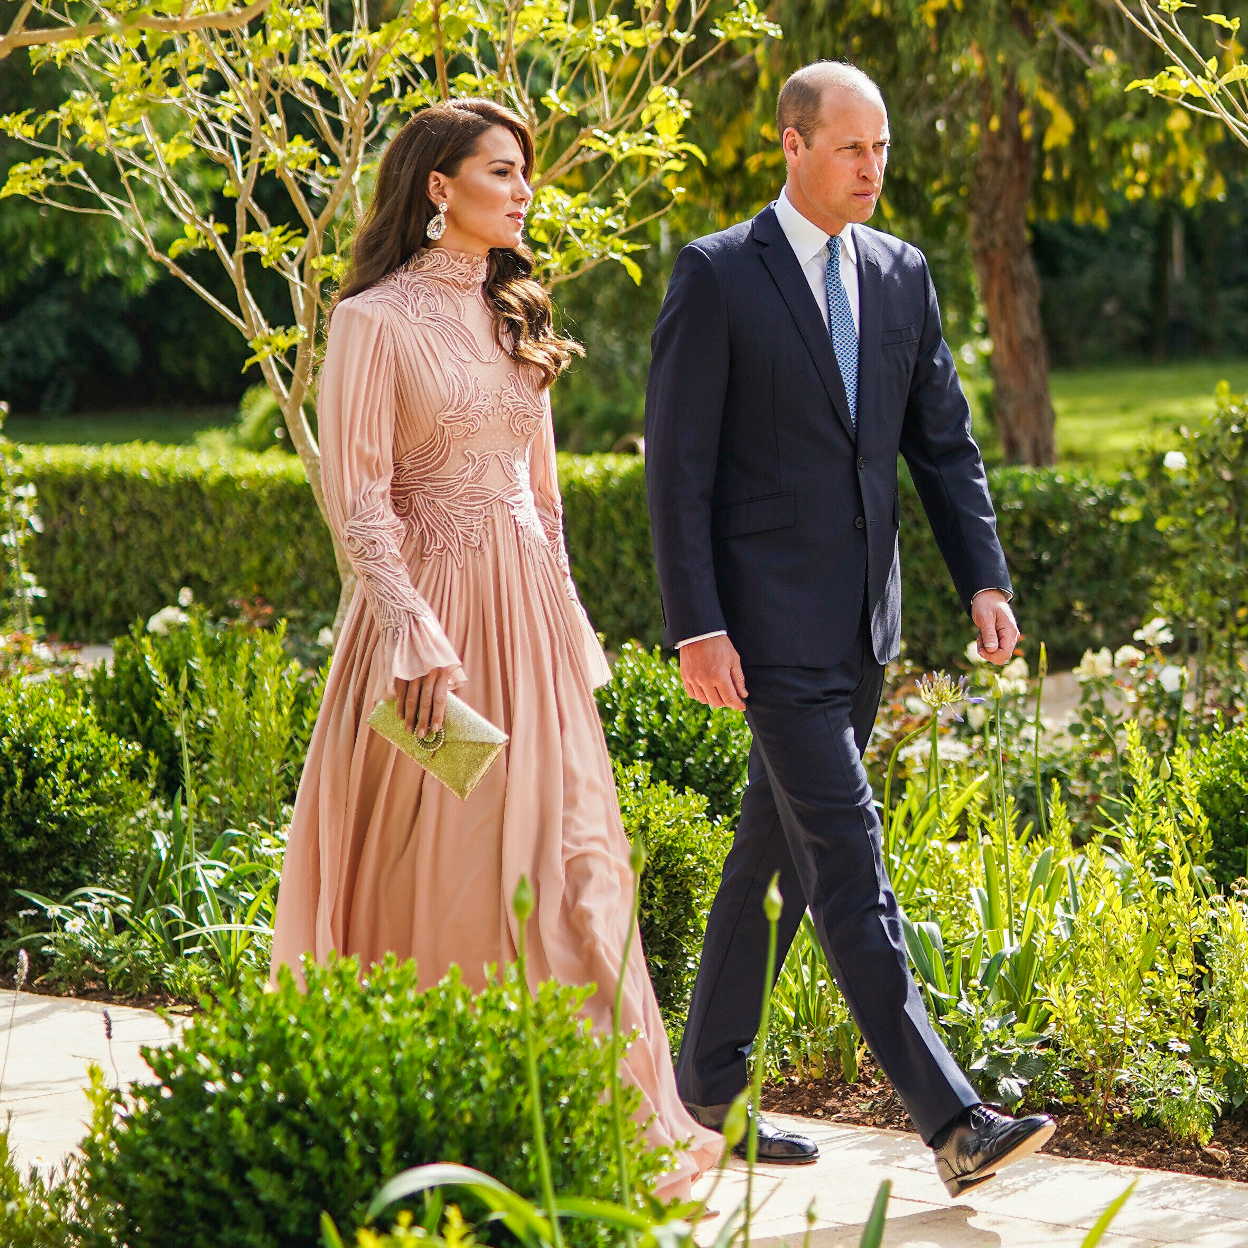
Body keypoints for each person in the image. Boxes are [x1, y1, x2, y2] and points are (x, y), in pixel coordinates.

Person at [269, 98, 720, 1200]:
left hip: (531, 629)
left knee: (578, 869)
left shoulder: (521, 307)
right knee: (458, 871)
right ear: (438, 187)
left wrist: (569, 629)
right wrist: (412, 630)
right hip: (435, 633)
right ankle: (447, 1119)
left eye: (524, 174)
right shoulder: (371, 323)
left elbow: (546, 497)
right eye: (502, 171)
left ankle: (590, 1117)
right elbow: (357, 497)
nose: (524, 190)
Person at [644, 61, 1054, 1197]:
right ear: (791, 145)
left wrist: (984, 578)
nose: (872, 168)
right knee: (846, 860)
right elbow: (677, 473)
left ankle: (708, 1090)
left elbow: (943, 444)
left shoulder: (902, 272)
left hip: (862, 624)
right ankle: (954, 1119)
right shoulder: (719, 275)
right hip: (762, 634)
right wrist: (697, 627)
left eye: (881, 149)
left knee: (769, 857)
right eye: (850, 148)